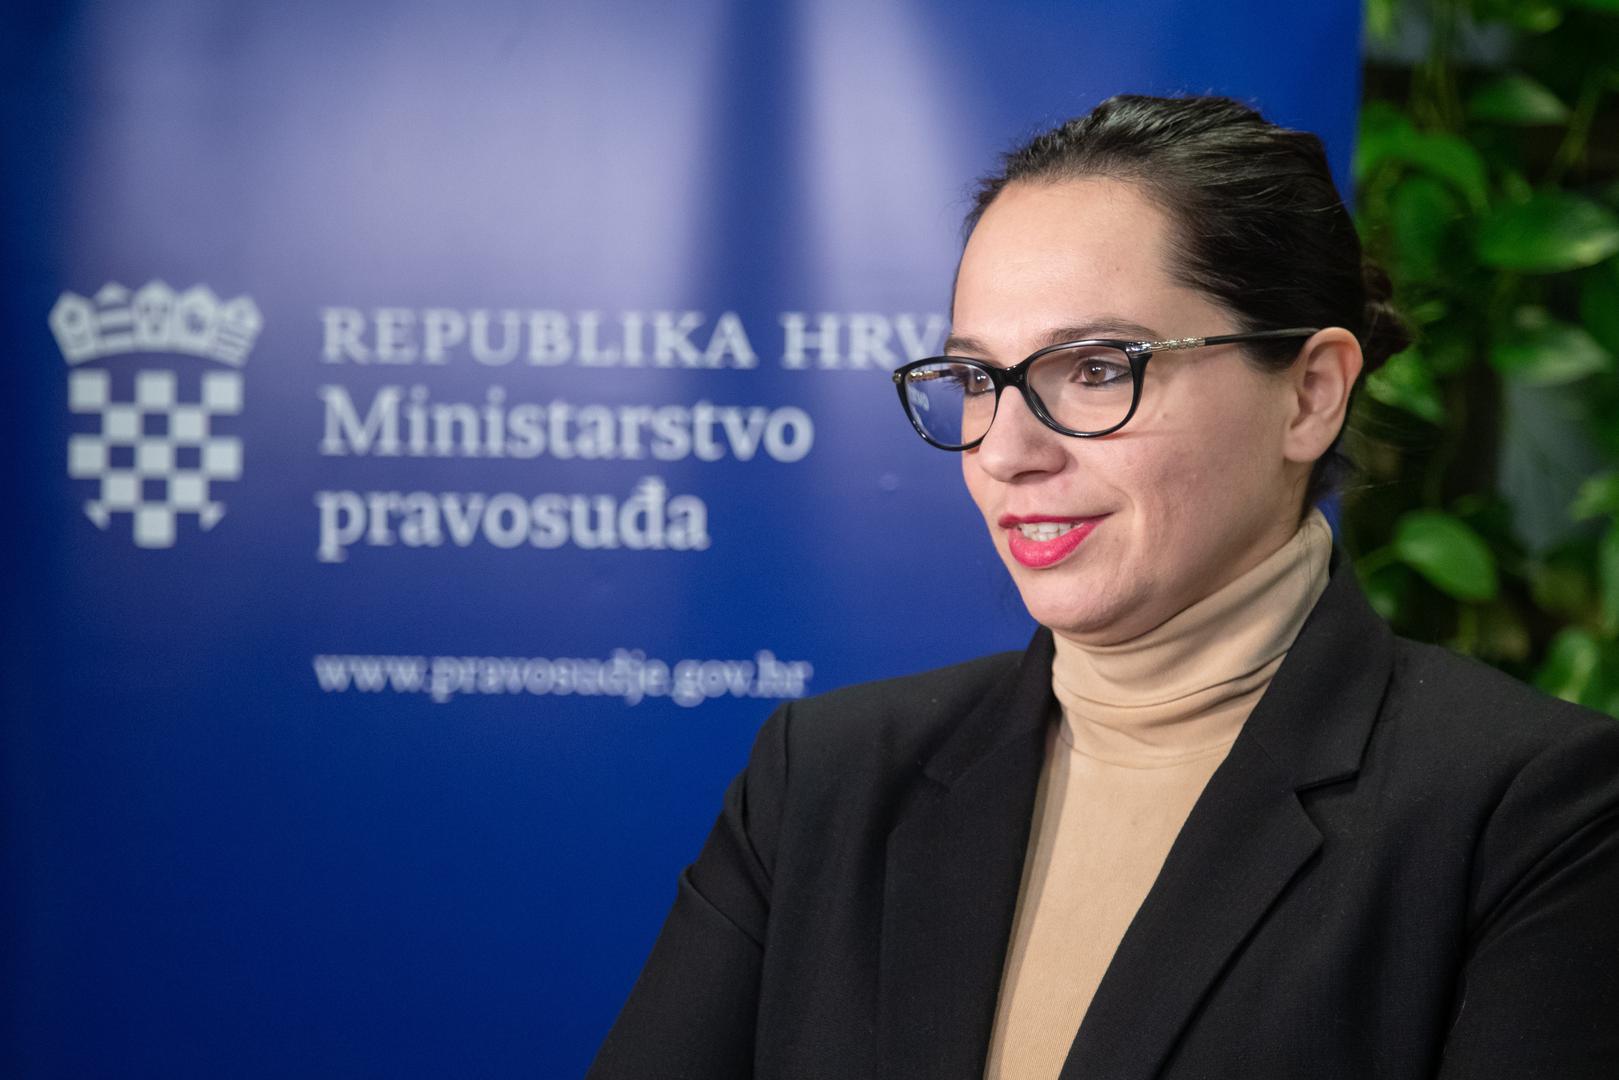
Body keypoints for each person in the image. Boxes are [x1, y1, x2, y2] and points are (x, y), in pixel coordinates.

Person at [586, 95, 1619, 1079]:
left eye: (1093, 369)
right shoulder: (824, 776)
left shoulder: (1533, 813)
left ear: (1309, 394)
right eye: (976, 380)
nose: (1006, 452)